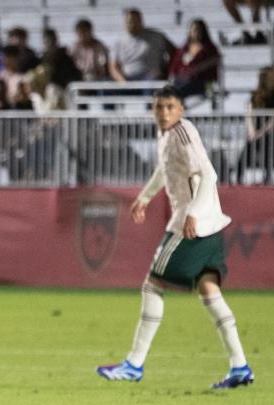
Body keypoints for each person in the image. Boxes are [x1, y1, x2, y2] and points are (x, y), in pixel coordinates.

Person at [97, 85, 253, 389]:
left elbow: (209, 176)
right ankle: (240, 366)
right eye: (158, 107)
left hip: (192, 226)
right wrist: (145, 197)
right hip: (211, 225)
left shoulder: (182, 132)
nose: (164, 112)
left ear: (181, 109)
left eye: (170, 107)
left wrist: (193, 212)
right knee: (210, 294)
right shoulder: (167, 134)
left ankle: (134, 364)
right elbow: (164, 170)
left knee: (152, 285)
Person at [110, 8, 175, 82]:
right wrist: (121, 80)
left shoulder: (157, 36)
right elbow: (113, 66)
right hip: (127, 78)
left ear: (141, 21)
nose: (131, 24)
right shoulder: (119, 41)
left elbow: (175, 54)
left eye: (134, 21)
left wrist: (166, 70)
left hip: (152, 78)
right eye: (128, 22)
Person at [168, 19, 220, 100]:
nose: (197, 32)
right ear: (189, 32)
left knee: (177, 92)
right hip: (181, 81)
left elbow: (215, 61)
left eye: (199, 30)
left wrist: (197, 68)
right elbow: (174, 67)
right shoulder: (183, 49)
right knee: (169, 91)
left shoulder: (209, 49)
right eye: (194, 30)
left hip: (202, 83)